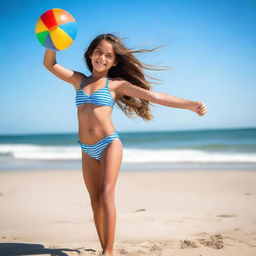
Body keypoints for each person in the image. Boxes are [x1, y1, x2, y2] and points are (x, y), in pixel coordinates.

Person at [43, 33, 207, 256]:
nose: (102, 58)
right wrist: (51, 44)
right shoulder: (78, 80)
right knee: (94, 201)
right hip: (87, 149)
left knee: (106, 194)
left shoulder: (116, 84)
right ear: (90, 55)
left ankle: (108, 252)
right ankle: (104, 247)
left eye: (108, 55)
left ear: (115, 61)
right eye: (98, 52)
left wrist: (189, 105)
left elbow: (154, 96)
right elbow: (50, 64)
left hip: (109, 144)